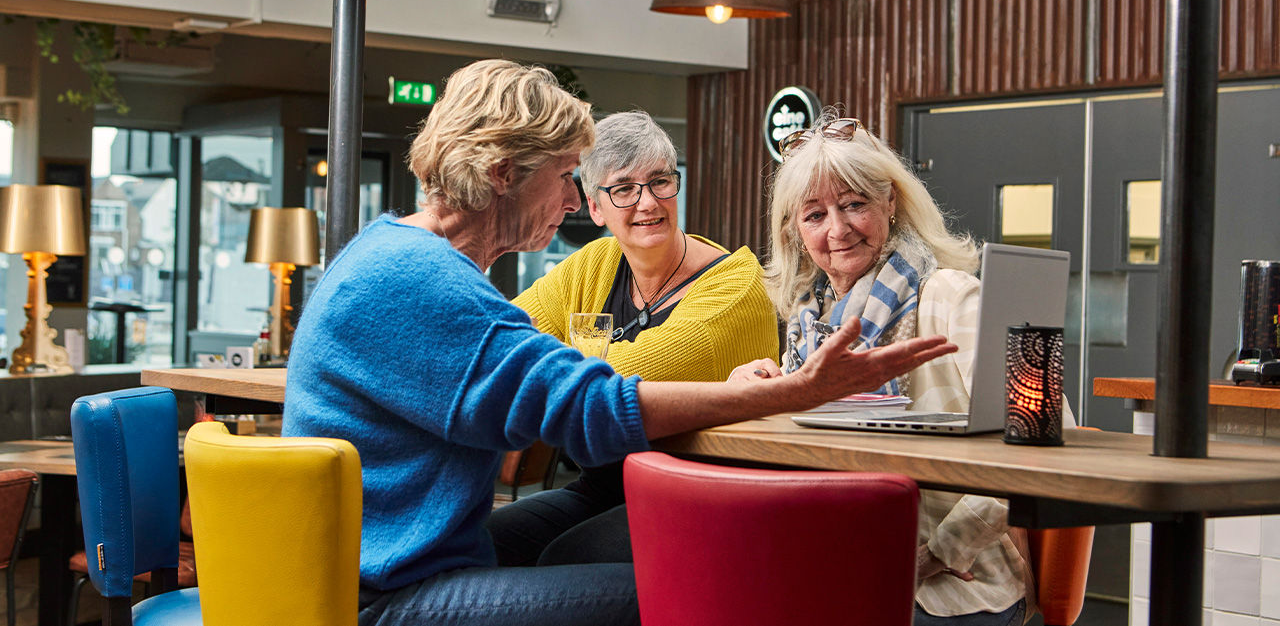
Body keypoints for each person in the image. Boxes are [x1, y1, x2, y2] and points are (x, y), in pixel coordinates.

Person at [283, 60, 956, 626]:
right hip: (385, 590)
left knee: (591, 552)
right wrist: (795, 388)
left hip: (376, 558)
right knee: (701, 594)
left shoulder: (393, 253)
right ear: (501, 173)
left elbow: (547, 375)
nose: (576, 202)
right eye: (568, 176)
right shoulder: (423, 282)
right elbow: (588, 407)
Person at [756, 113, 1049, 626]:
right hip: (838, 569)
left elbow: (1043, 434)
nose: (838, 229)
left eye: (854, 205)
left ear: (891, 201)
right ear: (794, 231)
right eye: (815, 215)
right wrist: (760, 394)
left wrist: (937, 553)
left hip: (956, 588)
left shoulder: (954, 295)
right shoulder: (809, 322)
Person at [488, 111, 779, 567]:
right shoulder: (594, 264)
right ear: (596, 207)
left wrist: (558, 358)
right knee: (483, 542)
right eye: (624, 189)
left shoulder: (735, 286)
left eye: (660, 181)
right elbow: (501, 338)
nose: (648, 203)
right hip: (606, 488)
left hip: (706, 498)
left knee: (563, 560)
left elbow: (625, 382)